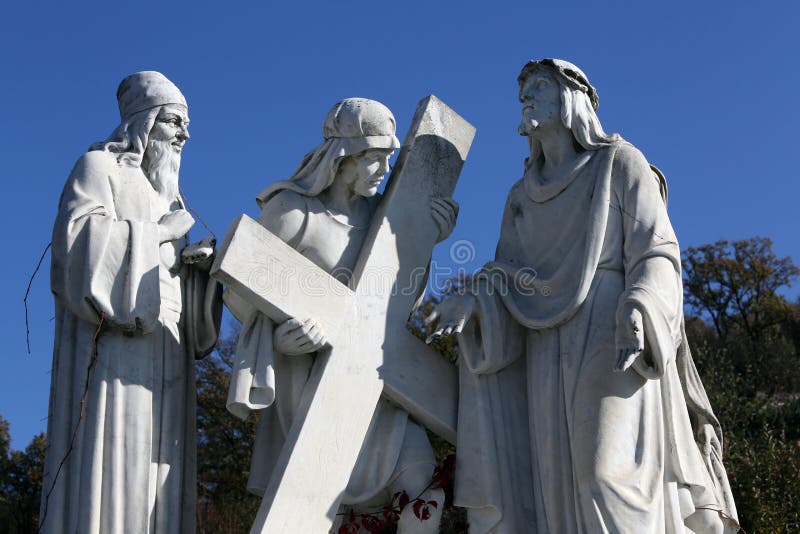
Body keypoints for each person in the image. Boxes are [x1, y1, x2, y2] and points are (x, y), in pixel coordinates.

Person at [426, 59, 739, 533]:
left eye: (538, 87)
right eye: (523, 91)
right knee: (554, 488)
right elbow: (506, 273)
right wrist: (473, 300)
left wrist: (640, 306)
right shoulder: (519, 196)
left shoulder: (620, 163)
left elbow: (658, 251)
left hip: (613, 330)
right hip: (543, 342)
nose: (525, 97)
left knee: (604, 479)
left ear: (572, 98)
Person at [226, 98, 458, 532]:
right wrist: (277, 341)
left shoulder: (385, 219)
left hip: (378, 386)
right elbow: (241, 293)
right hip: (311, 386)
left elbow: (397, 301)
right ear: (343, 157)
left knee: (424, 485)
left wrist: (425, 237)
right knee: (313, 509)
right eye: (373, 158)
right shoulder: (294, 212)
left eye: (389, 159)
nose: (384, 170)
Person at [42, 71, 222, 534]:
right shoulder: (99, 169)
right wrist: (159, 234)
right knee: (115, 462)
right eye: (174, 121)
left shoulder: (171, 197)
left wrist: (196, 271)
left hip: (168, 351)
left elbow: (193, 319)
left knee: (161, 470)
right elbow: (79, 245)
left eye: (186, 124)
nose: (185, 134)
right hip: (116, 352)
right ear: (142, 124)